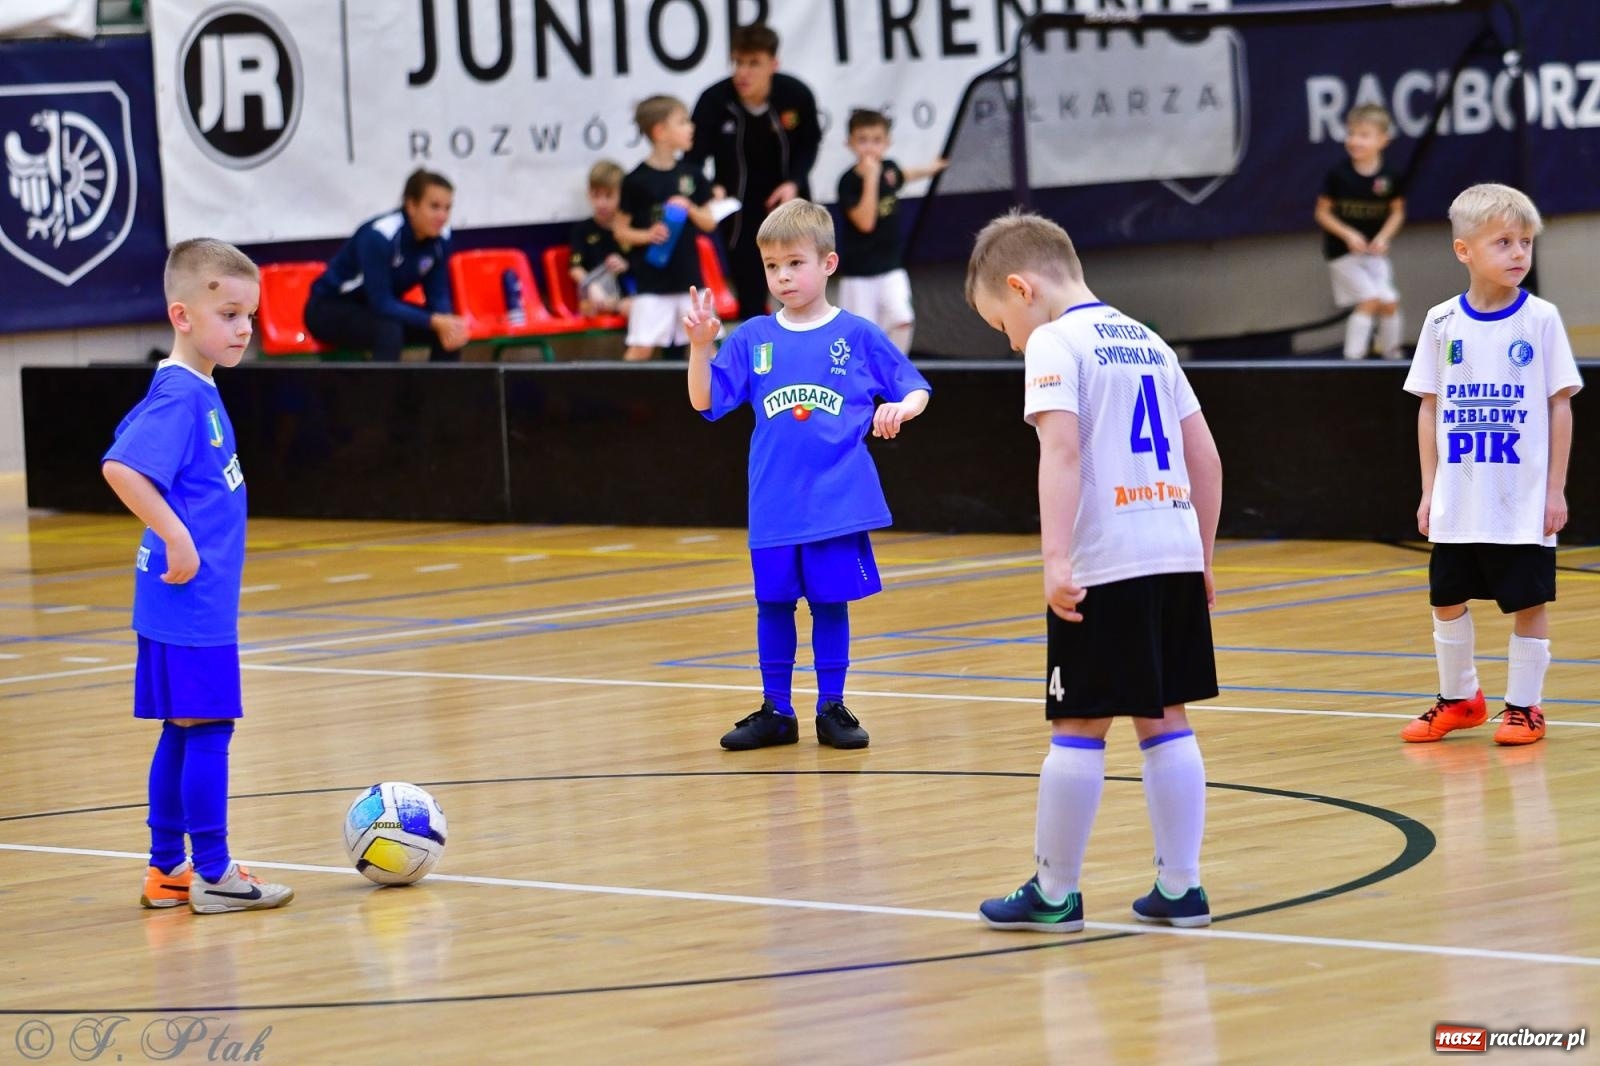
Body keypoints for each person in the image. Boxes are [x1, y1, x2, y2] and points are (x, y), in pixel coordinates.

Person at [963, 210, 1223, 932]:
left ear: (1023, 288)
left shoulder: (1052, 341)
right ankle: (1182, 886)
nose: (1009, 339)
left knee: (1078, 723)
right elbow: (1206, 458)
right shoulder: (1147, 339)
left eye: (1000, 322)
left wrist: (1054, 559)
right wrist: (1201, 554)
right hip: (1170, 550)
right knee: (1164, 715)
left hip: (1105, 560)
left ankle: (1054, 892)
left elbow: (1064, 453)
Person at [684, 198, 930, 750]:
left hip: (835, 501)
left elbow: (914, 386)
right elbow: (706, 400)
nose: (783, 276)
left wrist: (901, 408)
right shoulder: (752, 338)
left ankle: (831, 708)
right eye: (772, 266)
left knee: (828, 602)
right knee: (772, 603)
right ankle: (776, 709)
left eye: (795, 263)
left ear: (829, 264)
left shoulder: (858, 335)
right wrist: (702, 348)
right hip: (773, 501)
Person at [101, 239, 295, 915]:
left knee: (184, 729)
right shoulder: (181, 396)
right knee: (207, 728)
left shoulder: (192, 386)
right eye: (229, 313)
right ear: (182, 316)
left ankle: (168, 872)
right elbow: (121, 468)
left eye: (250, 315)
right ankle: (212, 869)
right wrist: (176, 535)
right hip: (191, 602)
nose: (244, 327)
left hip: (179, 602)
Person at [1399, 184, 1580, 748]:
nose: (1519, 253)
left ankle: (1525, 708)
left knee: (1528, 602)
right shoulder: (1439, 322)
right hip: (1460, 496)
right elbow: (1430, 409)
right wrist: (1430, 492)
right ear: (1464, 250)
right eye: (1503, 241)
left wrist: (1555, 491)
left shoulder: (1542, 319)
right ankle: (1461, 699)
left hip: (1520, 496)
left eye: (1525, 241)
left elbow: (1560, 407)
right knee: (1446, 598)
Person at [688, 23, 822, 322]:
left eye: (753, 63)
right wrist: (710, 191)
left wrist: (795, 182)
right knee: (750, 297)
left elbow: (810, 142)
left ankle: (808, 362)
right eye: (738, 62)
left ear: (773, 64)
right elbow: (692, 159)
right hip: (740, 213)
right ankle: (759, 366)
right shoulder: (714, 101)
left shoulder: (795, 95)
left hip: (788, 204)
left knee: (802, 290)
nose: (743, 73)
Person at [304, 168, 468, 362]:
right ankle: (381, 392)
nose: (442, 216)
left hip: (374, 310)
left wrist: (446, 322)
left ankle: (440, 392)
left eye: (447, 208)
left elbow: (438, 294)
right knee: (389, 331)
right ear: (411, 205)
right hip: (329, 308)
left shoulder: (442, 237)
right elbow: (381, 302)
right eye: (434, 206)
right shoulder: (380, 236)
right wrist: (434, 320)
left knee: (448, 332)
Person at [835, 108, 947, 353]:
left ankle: (896, 372)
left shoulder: (889, 169)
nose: (870, 148)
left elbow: (903, 174)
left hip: (891, 268)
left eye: (876, 140)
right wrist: (871, 180)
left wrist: (931, 168)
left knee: (902, 318)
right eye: (862, 140)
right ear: (850, 143)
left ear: (887, 143)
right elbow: (866, 222)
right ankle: (866, 383)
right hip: (859, 275)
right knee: (861, 338)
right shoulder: (848, 182)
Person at [615, 95, 716, 362]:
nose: (690, 127)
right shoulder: (636, 180)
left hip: (690, 281)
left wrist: (689, 207)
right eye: (682, 122)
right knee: (641, 348)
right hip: (652, 282)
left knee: (707, 348)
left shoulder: (692, 174)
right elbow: (621, 231)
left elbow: (710, 221)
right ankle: (616, 401)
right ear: (660, 131)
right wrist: (648, 235)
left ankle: (719, 402)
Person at [1314, 103, 1407, 361]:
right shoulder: (1338, 175)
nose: (1355, 141)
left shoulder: (1391, 176)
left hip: (1373, 253)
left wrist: (1383, 238)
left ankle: (1393, 358)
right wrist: (1348, 235)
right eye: (1351, 134)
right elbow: (1322, 213)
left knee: (1389, 301)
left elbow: (1397, 212)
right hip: (1342, 253)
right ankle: (1352, 362)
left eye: (1364, 135)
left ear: (1383, 140)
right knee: (1369, 299)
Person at [568, 160, 634, 317]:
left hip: (629, 294)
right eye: (595, 195)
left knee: (639, 306)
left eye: (609, 196)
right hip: (596, 294)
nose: (601, 203)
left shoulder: (632, 228)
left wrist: (626, 264)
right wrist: (591, 285)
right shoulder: (582, 230)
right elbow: (575, 268)